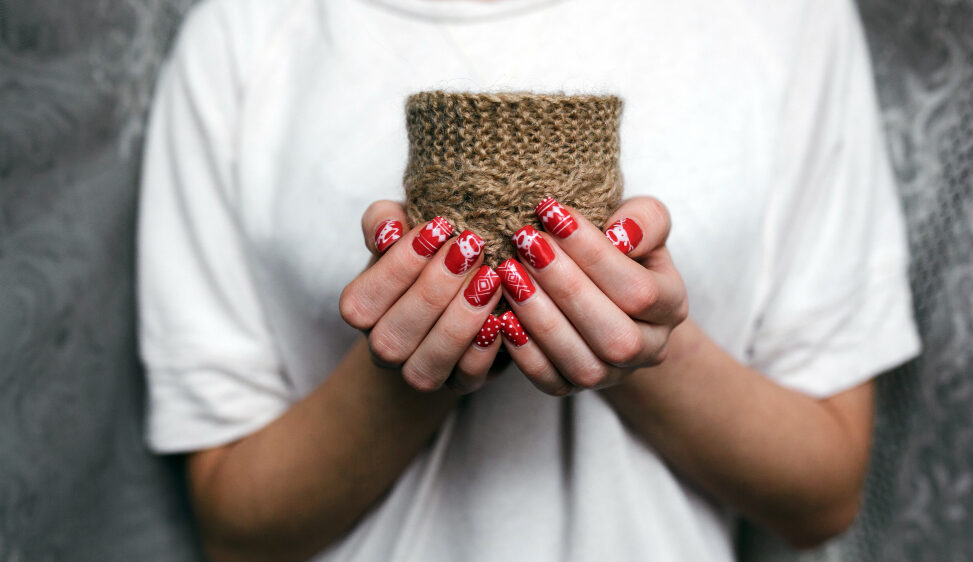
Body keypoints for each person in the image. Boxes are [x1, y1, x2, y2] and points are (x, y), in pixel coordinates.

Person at [136, 0, 922, 560]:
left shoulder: (785, 17)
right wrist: (414, 368)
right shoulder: (241, 36)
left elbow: (823, 496)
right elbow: (235, 527)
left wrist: (640, 342)